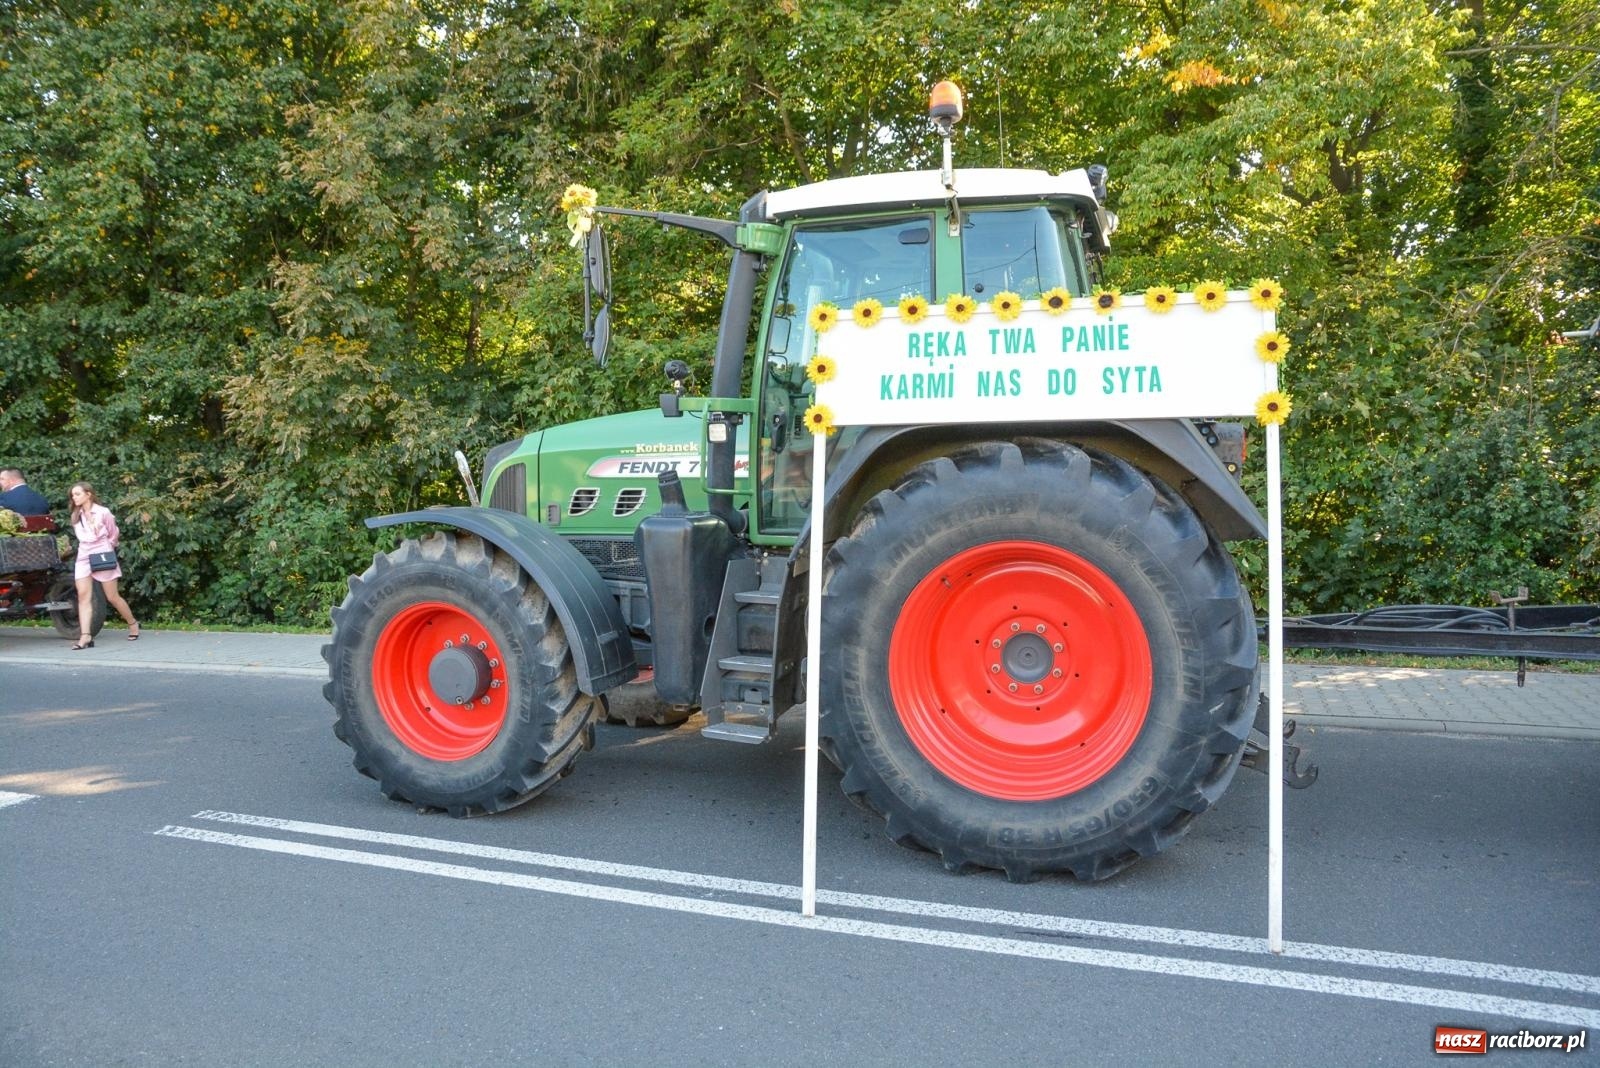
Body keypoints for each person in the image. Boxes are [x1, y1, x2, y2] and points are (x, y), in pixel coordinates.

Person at [67, 481, 139, 649]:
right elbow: (82, 537)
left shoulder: (103, 512)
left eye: (77, 494)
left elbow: (114, 534)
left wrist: (107, 549)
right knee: (84, 596)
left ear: (88, 494)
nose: (74, 497)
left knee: (112, 596)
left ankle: (133, 623)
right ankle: (85, 636)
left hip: (102, 554)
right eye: (72, 495)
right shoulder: (76, 515)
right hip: (84, 555)